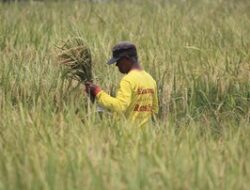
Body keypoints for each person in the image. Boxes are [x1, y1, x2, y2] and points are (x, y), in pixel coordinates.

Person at [85, 41, 158, 126]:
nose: (116, 65)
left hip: (129, 134)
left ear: (126, 59)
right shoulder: (150, 79)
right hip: (146, 135)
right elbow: (154, 110)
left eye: (118, 61)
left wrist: (98, 92)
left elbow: (120, 106)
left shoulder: (128, 80)